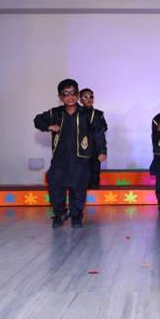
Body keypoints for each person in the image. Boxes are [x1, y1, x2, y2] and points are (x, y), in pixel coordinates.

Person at [34, 79, 106, 228]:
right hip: (60, 158)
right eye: (65, 94)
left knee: (78, 187)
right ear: (60, 97)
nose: (70, 97)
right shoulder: (56, 113)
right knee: (55, 185)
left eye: (73, 93)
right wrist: (49, 126)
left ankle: (76, 215)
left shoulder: (88, 114)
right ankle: (60, 213)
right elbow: (38, 120)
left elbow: (98, 132)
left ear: (78, 94)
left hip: (80, 158)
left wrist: (102, 151)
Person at [79, 88, 108, 189]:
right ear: (80, 100)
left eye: (91, 97)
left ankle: (94, 196)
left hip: (94, 149)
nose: (89, 99)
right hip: (80, 150)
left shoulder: (99, 114)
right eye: (85, 97)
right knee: (81, 175)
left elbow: (103, 129)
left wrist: (102, 151)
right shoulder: (76, 113)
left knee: (94, 174)